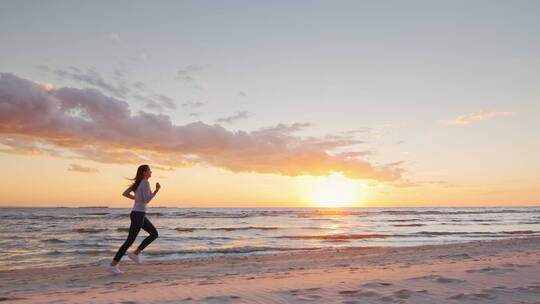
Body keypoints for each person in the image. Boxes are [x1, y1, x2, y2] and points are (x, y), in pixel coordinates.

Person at [106, 164, 161, 275]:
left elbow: (125, 193)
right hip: (138, 214)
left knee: (154, 234)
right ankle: (113, 265)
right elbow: (146, 200)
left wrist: (136, 199)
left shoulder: (138, 183)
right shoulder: (145, 182)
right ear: (144, 172)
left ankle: (135, 254)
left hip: (138, 214)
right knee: (129, 241)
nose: (151, 172)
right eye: (150, 170)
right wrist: (156, 191)